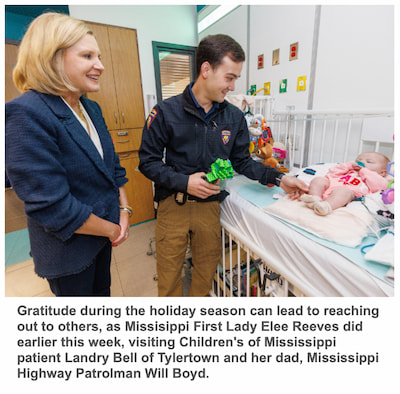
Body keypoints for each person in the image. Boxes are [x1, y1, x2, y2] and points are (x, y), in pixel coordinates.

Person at [139, 34, 309, 297]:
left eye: (235, 79)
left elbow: (242, 162)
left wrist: (278, 178)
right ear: (206, 69)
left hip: (209, 207)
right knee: (169, 278)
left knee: (205, 275)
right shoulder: (166, 112)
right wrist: (185, 181)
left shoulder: (234, 117)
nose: (232, 86)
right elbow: (147, 162)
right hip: (174, 203)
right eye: (229, 77)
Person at [5, 13, 131, 296]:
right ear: (52, 59)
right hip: (69, 252)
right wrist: (111, 230)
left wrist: (124, 210)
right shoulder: (28, 113)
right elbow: (52, 207)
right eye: (87, 56)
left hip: (101, 239)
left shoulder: (91, 108)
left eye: (98, 56)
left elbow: (113, 167)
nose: (100, 65)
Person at [300, 151, 390, 216]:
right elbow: (332, 172)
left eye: (369, 161)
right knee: (319, 180)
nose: (361, 162)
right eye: (358, 160)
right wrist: (348, 166)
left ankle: (326, 207)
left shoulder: (374, 177)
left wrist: (365, 171)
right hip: (328, 187)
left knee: (343, 192)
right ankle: (315, 198)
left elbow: (381, 186)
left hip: (343, 195)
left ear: (382, 173)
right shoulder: (348, 170)